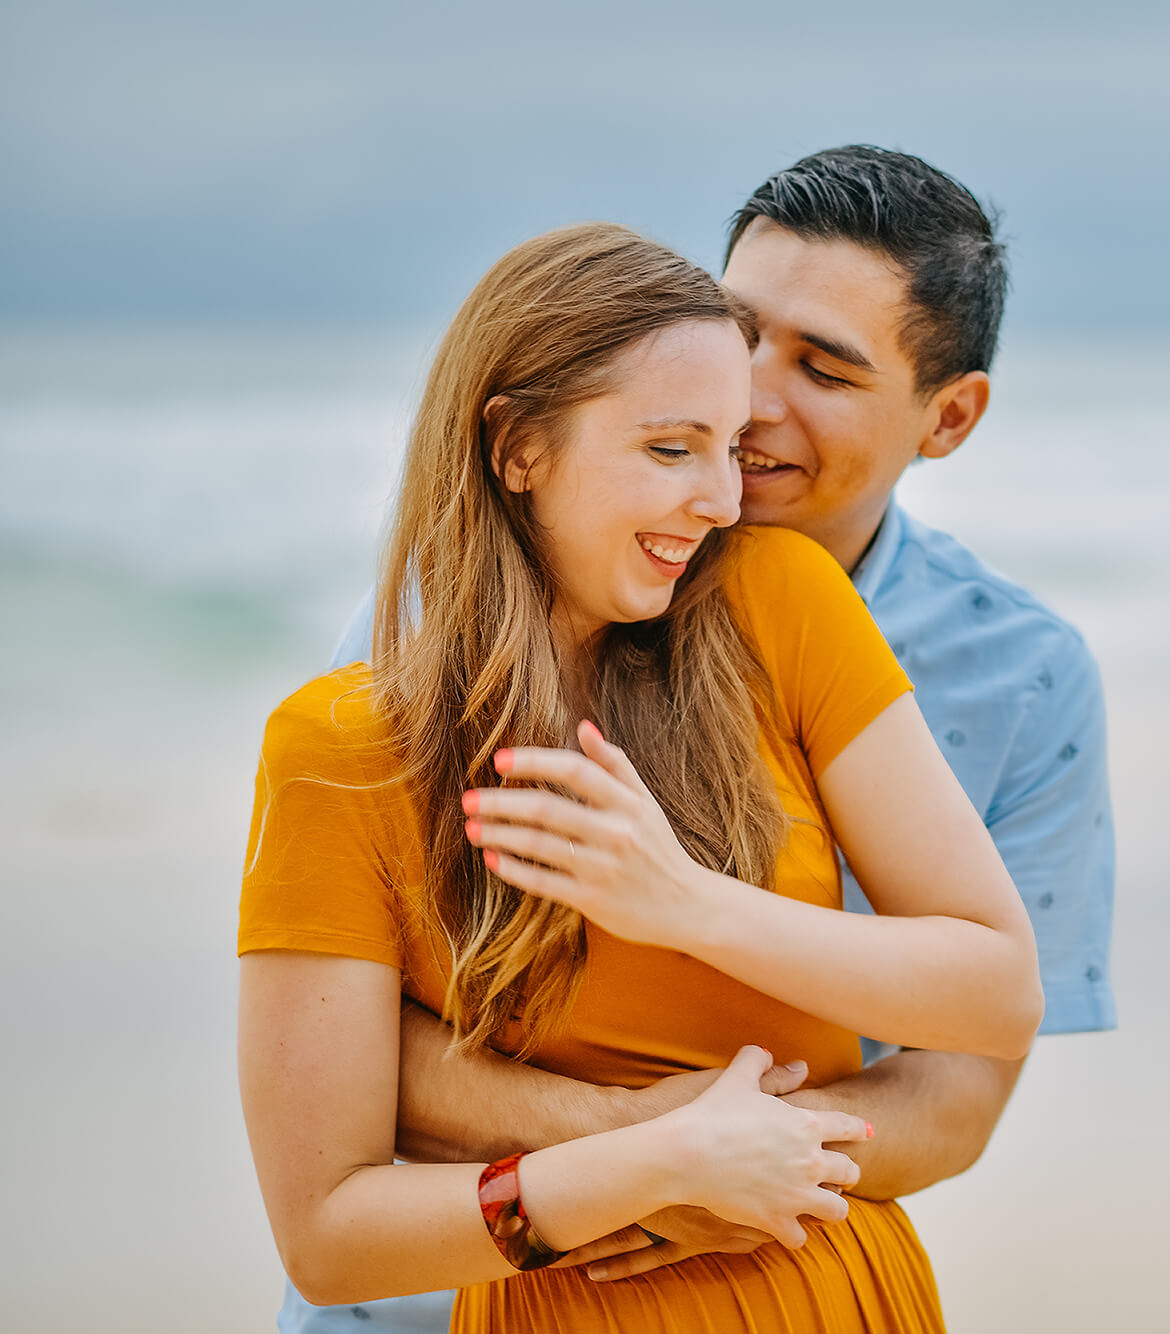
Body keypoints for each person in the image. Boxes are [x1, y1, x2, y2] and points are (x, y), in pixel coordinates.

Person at [290, 146, 1118, 1331]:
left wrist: (734, 1155)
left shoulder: (1024, 679)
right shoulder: (437, 632)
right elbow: (345, 1050)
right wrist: (647, 1152)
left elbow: (959, 1087)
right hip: (431, 1292)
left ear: (949, 416)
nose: (755, 398)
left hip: (775, 1268)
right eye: (743, 333)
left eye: (823, 367)